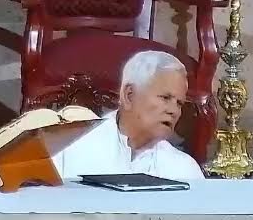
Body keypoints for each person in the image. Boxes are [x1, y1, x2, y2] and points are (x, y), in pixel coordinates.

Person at [51, 50, 206, 181]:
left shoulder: (185, 171)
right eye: (165, 98)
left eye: (179, 103)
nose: (174, 111)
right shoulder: (70, 148)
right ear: (129, 95)